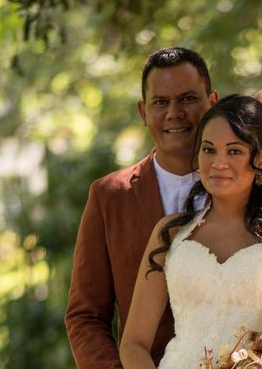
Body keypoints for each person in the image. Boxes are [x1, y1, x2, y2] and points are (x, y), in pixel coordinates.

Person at [120, 92, 262, 369]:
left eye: (234, 151)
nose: (218, 163)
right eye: (209, 149)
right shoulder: (170, 233)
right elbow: (133, 343)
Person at [65, 47, 219, 368]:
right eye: (160, 102)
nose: (174, 112)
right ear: (143, 111)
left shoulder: (251, 188)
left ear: (212, 102)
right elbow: (86, 316)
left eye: (188, 99)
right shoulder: (109, 196)